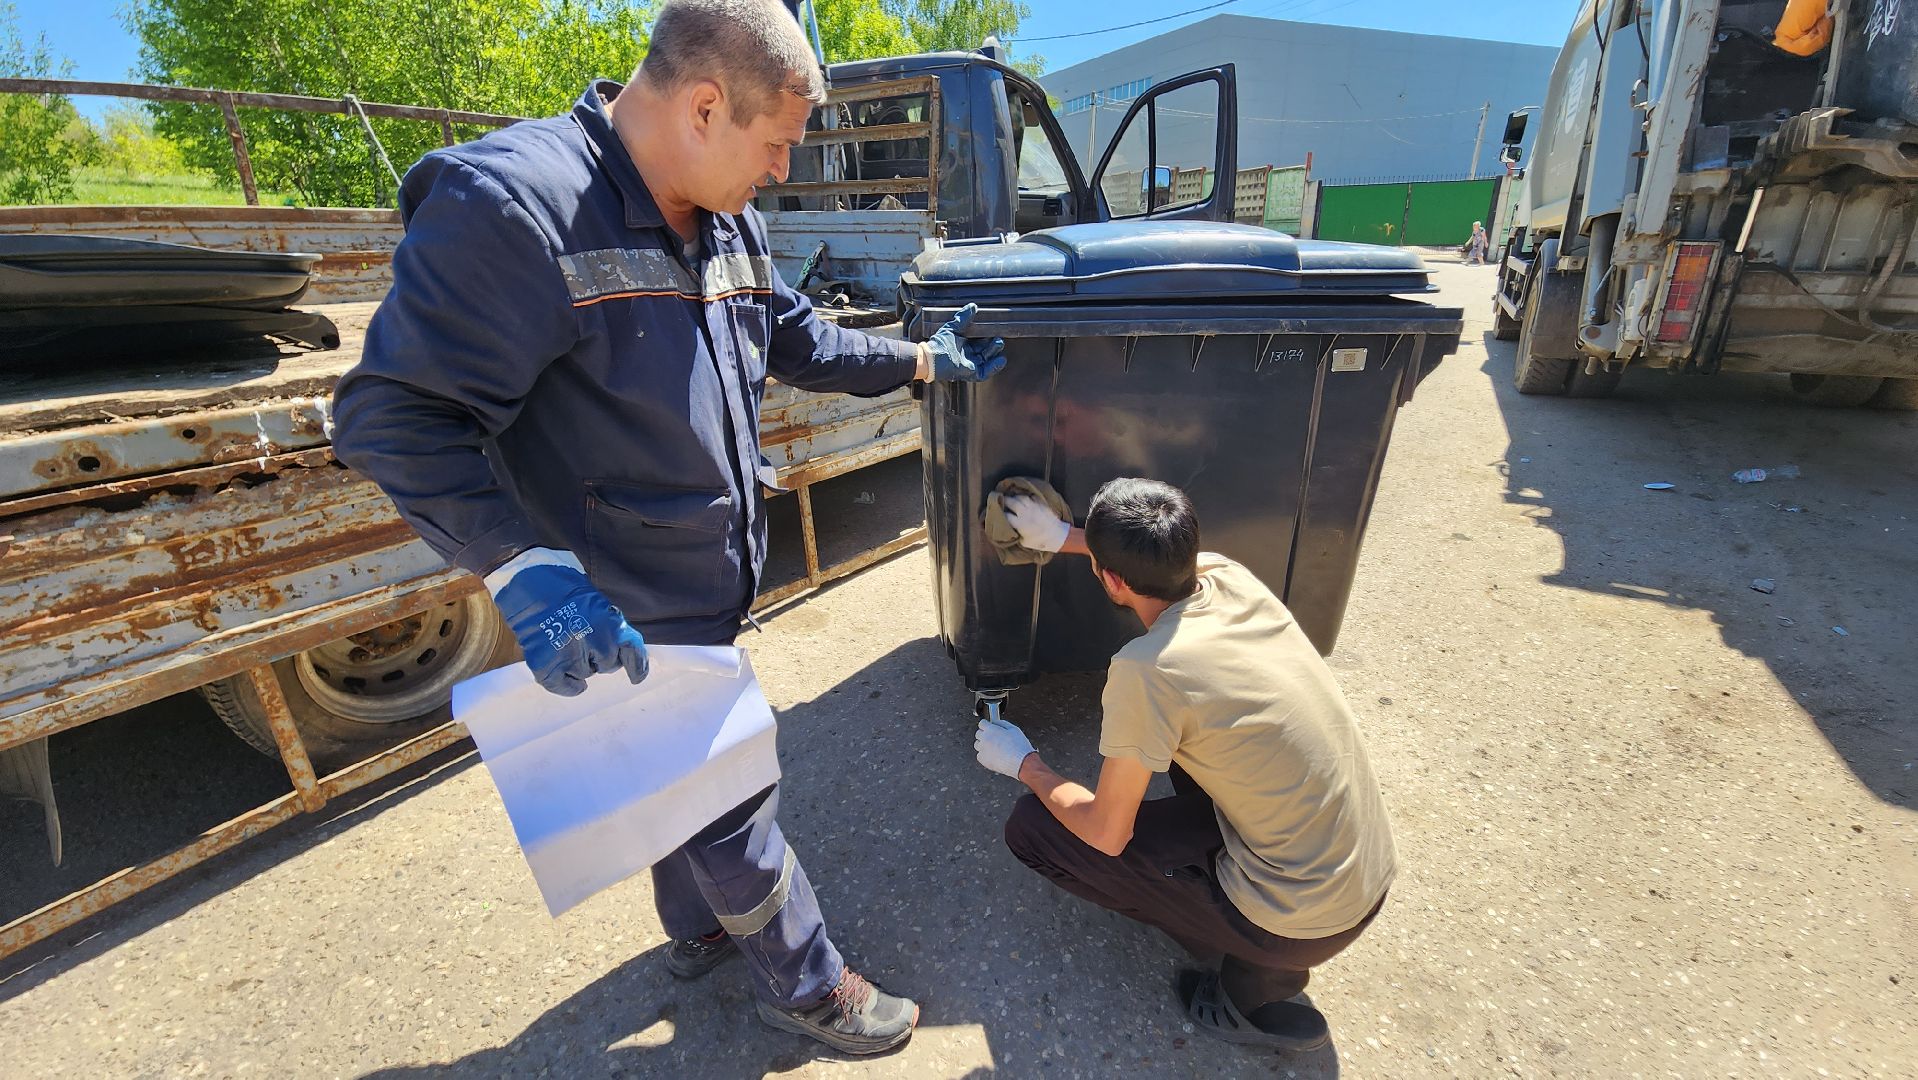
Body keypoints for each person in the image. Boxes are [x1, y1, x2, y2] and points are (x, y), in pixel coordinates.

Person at [331, 0, 1004, 1056]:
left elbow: (791, 337)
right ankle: (809, 987)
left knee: (677, 792)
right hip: (615, 605)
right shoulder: (518, 207)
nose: (782, 170)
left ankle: (695, 930)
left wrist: (921, 364)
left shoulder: (721, 210)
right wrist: (521, 568)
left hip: (702, 581)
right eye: (777, 142)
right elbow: (389, 412)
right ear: (703, 106)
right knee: (735, 803)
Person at [973, 479, 1396, 1052]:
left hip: (1297, 923)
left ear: (1113, 581)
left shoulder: (1147, 670)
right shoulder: (1229, 577)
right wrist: (1061, 537)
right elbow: (1145, 568)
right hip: (1363, 872)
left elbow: (1106, 832)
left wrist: (1025, 763)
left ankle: (1248, 994)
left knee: (1032, 827)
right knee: (1193, 738)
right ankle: (1244, 926)